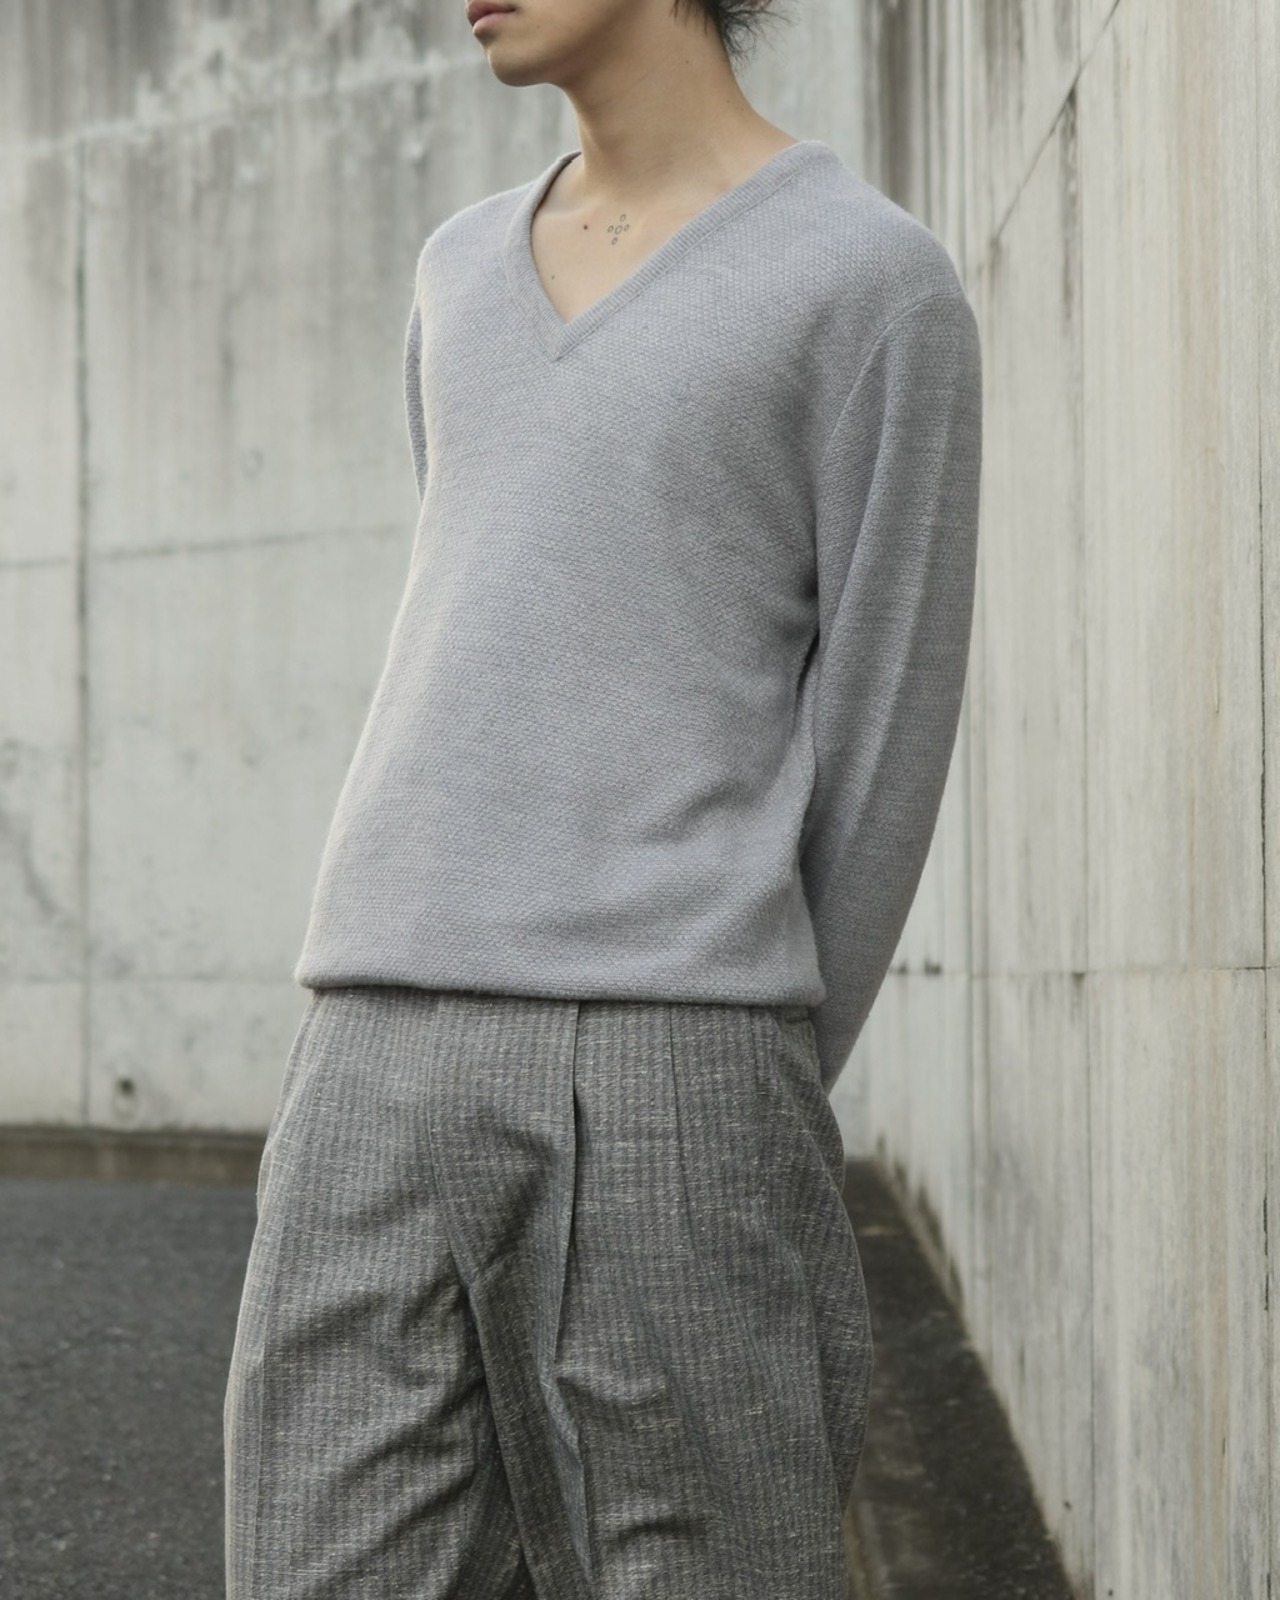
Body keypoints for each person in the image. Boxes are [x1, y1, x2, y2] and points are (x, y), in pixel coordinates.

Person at [223, 0, 983, 1595]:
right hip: (371, 1031)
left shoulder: (869, 282)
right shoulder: (455, 271)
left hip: (677, 1047)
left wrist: (739, 1057)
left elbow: (884, 734)